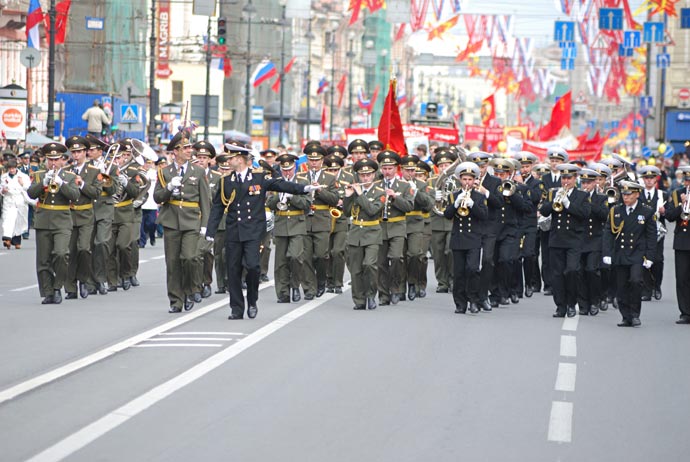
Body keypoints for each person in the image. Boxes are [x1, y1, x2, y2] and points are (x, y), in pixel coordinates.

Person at [205, 142, 322, 320]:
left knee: (253, 267)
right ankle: (236, 308)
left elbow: (281, 185)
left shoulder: (259, 178)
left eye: (232, 158)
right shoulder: (225, 182)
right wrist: (210, 232)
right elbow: (217, 208)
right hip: (234, 231)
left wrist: (304, 188)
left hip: (252, 232)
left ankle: (252, 300)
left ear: (240, 159)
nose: (228, 161)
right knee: (233, 270)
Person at [153, 131, 210, 313]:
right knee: (172, 263)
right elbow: (157, 197)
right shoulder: (165, 172)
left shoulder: (198, 171)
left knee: (190, 258)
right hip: (171, 220)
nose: (189, 150)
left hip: (192, 220)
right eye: (185, 148)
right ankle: (176, 301)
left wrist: (205, 226)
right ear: (175, 151)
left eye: (189, 147)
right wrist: (169, 187)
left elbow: (205, 200)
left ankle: (191, 289)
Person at [27, 143, 80, 304]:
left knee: (61, 253)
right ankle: (48, 292)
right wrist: (43, 183)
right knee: (43, 260)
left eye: (56, 160)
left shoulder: (70, 176)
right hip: (43, 219)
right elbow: (31, 193)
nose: (53, 163)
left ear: (62, 160)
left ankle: (57, 286)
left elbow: (75, 195)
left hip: (62, 220)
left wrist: (61, 183)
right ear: (46, 160)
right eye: (50, 160)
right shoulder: (39, 175)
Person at [539, 163, 591, 318]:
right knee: (557, 275)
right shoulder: (553, 192)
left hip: (574, 240)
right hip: (556, 239)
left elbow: (585, 214)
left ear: (575, 179)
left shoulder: (582, 196)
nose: (565, 181)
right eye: (563, 178)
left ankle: (571, 303)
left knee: (572, 271)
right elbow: (543, 210)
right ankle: (560, 306)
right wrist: (554, 201)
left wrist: (568, 204)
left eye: (569, 178)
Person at [602, 181, 657, 327]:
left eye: (629, 194)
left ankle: (635, 314)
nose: (626, 197)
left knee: (635, 281)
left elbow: (651, 236)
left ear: (637, 194)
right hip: (620, 253)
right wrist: (606, 252)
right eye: (624, 194)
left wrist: (651, 256)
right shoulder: (616, 210)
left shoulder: (646, 211)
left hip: (638, 254)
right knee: (621, 286)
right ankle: (625, 316)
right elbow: (608, 232)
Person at [443, 162, 488, 314]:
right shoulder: (453, 196)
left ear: (474, 180)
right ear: (460, 180)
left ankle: (474, 300)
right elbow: (447, 215)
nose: (467, 182)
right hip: (458, 239)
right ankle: (460, 303)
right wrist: (456, 204)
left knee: (473, 269)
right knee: (459, 273)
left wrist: (473, 204)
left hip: (474, 239)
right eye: (464, 179)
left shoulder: (479, 197)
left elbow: (484, 216)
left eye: (470, 179)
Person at [297, 144, 339, 299]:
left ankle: (321, 280)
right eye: (311, 159)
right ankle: (309, 288)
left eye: (317, 160)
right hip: (305, 218)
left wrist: (320, 190)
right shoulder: (301, 177)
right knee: (306, 256)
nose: (314, 163)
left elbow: (335, 199)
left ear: (322, 160)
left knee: (321, 255)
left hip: (321, 219)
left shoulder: (329, 178)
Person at [343, 159, 386, 310]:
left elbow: (372, 210)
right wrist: (348, 196)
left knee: (369, 264)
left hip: (372, 232)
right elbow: (346, 212)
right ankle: (359, 300)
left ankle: (370, 295)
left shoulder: (380, 192)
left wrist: (360, 194)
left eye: (368, 175)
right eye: (362, 175)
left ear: (374, 175)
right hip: (355, 233)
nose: (365, 178)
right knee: (355, 269)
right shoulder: (355, 191)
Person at [63, 136, 102, 300]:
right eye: (74, 152)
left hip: (86, 214)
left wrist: (82, 185)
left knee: (84, 248)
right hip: (69, 215)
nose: (76, 155)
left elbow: (97, 193)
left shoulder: (94, 171)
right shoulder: (66, 171)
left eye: (79, 151)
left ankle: (84, 280)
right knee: (69, 252)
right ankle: (70, 287)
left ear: (85, 152)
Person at [375, 150, 414, 305]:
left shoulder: (404, 186)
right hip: (380, 226)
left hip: (397, 226)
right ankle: (383, 294)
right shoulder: (375, 185)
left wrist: (395, 197)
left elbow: (409, 207)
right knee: (381, 263)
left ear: (396, 169)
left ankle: (396, 289)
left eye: (390, 168)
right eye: (384, 168)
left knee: (397, 258)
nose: (387, 171)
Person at [576, 168, 608, 315]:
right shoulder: (577, 197)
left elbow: (604, 215)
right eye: (583, 182)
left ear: (595, 182)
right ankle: (583, 304)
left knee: (591, 270)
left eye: (589, 182)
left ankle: (594, 301)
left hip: (595, 239)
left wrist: (590, 203)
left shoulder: (601, 198)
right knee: (580, 272)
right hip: (579, 239)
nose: (585, 185)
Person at [638, 165, 667, 301]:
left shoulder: (662, 195)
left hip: (657, 232)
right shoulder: (638, 195)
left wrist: (664, 212)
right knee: (644, 259)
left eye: (651, 178)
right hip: (642, 231)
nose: (649, 181)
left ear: (656, 179)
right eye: (646, 178)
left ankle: (657, 285)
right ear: (643, 180)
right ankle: (646, 290)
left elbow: (671, 214)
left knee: (658, 260)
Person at [665, 166, 690, 324]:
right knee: (681, 278)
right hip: (682, 241)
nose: (688, 183)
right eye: (687, 180)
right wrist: (682, 205)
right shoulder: (676, 193)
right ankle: (685, 312)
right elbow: (669, 216)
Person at [1, 158, 32, 249]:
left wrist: (22, 184)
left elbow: (29, 188)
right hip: (8, 201)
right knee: (7, 221)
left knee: (18, 222)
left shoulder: (23, 176)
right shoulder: (3, 177)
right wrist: (3, 191)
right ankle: (7, 239)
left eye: (13, 168)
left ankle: (16, 242)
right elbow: (1, 188)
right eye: (10, 168)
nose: (11, 170)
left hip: (19, 201)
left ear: (16, 168)